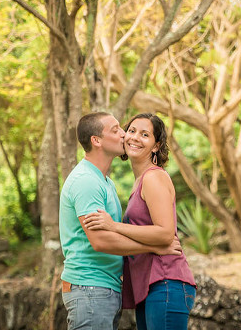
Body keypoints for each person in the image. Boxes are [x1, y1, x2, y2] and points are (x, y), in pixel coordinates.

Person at [59, 111, 182, 330]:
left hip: (105, 289)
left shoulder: (105, 182)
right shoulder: (86, 181)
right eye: (117, 130)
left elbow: (116, 232)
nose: (125, 135)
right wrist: (155, 247)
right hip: (90, 288)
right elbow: (101, 241)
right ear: (97, 141)